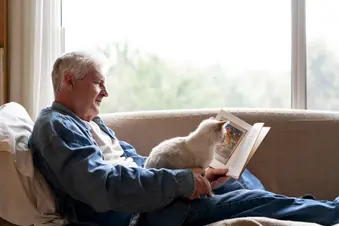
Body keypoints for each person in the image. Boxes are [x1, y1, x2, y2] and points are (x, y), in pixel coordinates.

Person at [28, 51, 339, 226]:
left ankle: (308, 210)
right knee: (248, 199)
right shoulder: (54, 127)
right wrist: (182, 182)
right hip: (139, 215)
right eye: (99, 84)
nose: (106, 93)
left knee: (235, 179)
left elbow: (134, 162)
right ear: (69, 81)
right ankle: (331, 212)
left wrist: (193, 172)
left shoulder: (91, 124)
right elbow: (103, 186)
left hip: (153, 197)